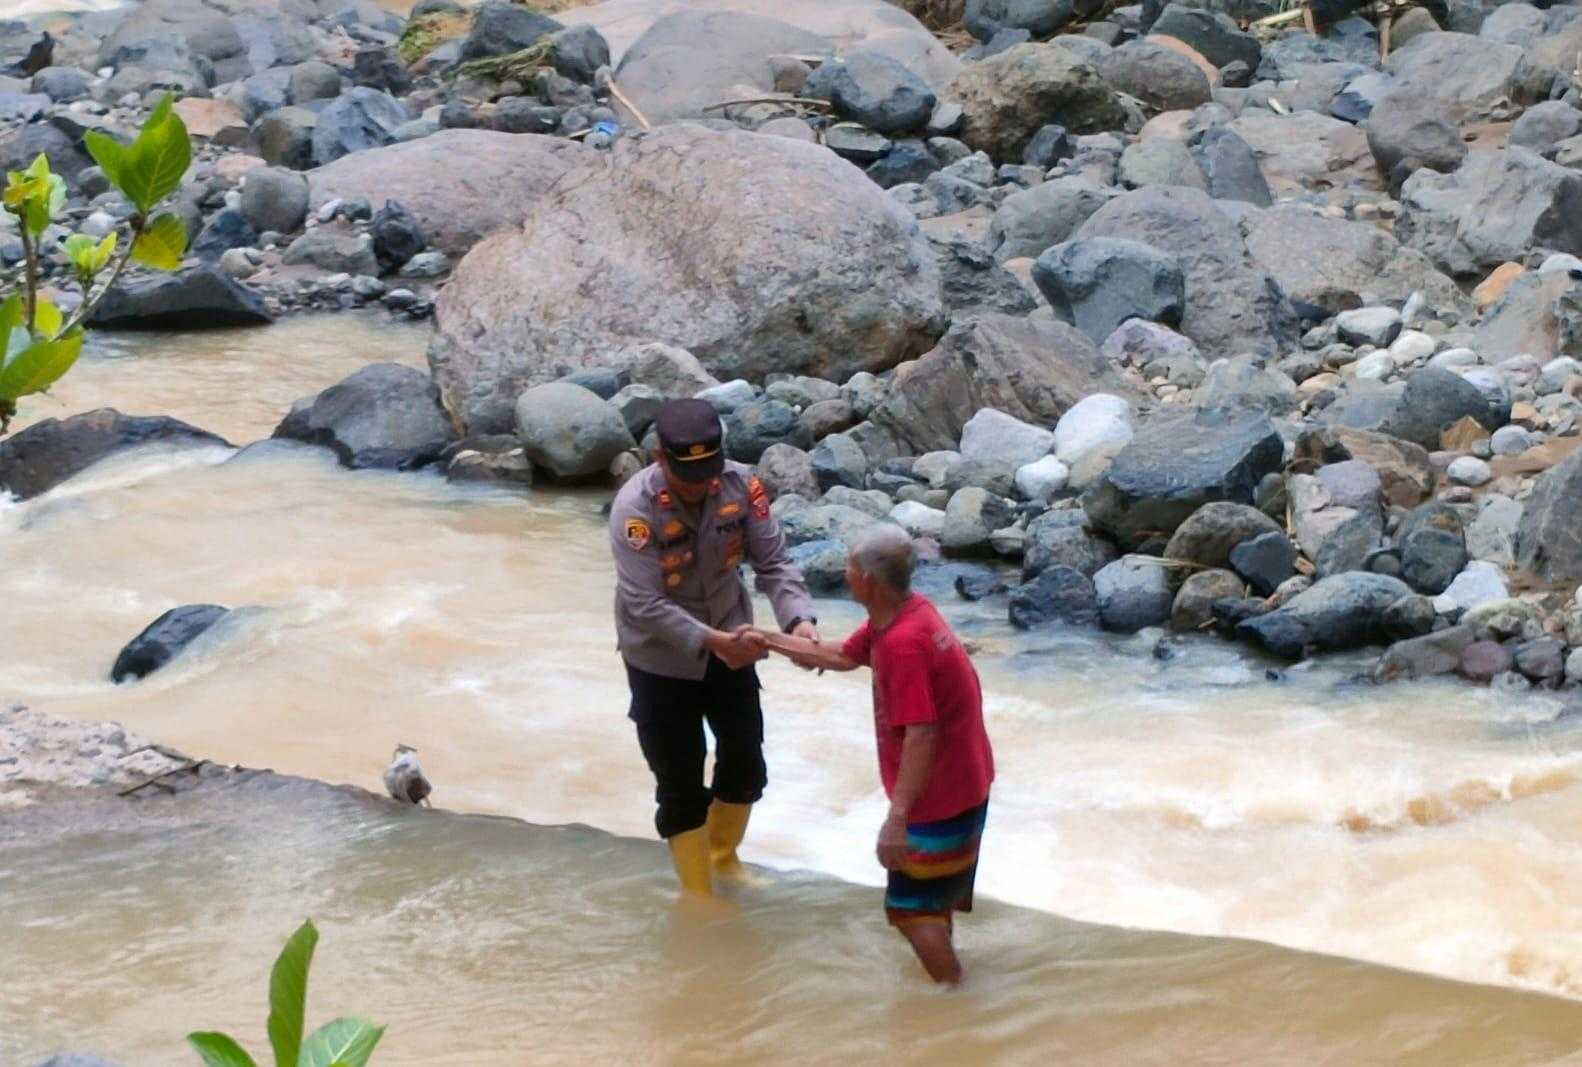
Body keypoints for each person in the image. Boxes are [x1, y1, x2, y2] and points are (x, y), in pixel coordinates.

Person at [755, 525, 994, 984]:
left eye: (848, 566)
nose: (844, 574)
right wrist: (766, 639)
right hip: (966, 782)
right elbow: (844, 656)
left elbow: (921, 733)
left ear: (867, 580)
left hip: (941, 796)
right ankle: (953, 994)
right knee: (930, 902)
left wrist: (897, 818)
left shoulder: (904, 643)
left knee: (909, 911)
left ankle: (955, 1004)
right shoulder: (906, 613)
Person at [609, 397, 819, 897]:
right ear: (661, 459)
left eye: (710, 470)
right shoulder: (635, 511)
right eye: (690, 474)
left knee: (746, 763)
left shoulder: (741, 486)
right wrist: (713, 641)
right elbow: (644, 603)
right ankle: (698, 895)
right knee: (680, 783)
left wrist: (799, 620)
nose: (703, 484)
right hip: (661, 659)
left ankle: (724, 859)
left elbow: (774, 562)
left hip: (733, 640)